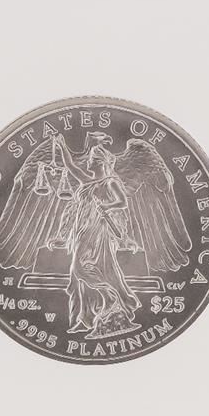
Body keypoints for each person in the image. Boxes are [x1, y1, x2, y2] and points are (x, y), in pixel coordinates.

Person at [53, 136, 141, 338]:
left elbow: (122, 202)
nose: (88, 162)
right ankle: (84, 319)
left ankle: (110, 297)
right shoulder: (87, 181)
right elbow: (70, 166)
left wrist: (106, 207)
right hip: (82, 231)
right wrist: (62, 145)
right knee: (76, 277)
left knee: (80, 268)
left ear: (100, 162)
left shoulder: (110, 182)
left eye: (92, 159)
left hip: (97, 232)